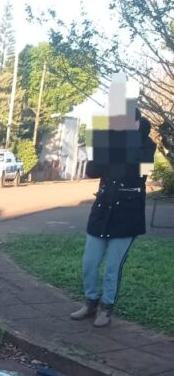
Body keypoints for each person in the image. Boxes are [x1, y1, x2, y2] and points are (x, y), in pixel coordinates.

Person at [71, 109, 155, 327]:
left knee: (112, 267)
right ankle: (90, 302)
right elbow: (92, 171)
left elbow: (142, 171)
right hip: (102, 212)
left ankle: (106, 308)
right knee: (89, 263)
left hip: (127, 217)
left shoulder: (147, 145)